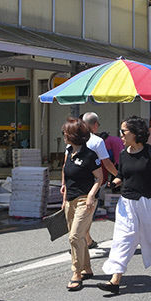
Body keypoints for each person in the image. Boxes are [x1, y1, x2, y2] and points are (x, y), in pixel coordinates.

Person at [98, 115, 151, 295]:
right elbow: (122, 175)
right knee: (122, 239)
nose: (121, 136)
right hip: (127, 203)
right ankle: (115, 280)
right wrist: (114, 182)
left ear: (135, 133)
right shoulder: (124, 154)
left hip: (150, 201)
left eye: (123, 132)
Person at [60, 118, 103, 291]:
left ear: (73, 135)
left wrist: (92, 195)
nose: (63, 135)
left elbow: (99, 178)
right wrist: (64, 198)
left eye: (65, 132)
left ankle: (76, 273)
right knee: (79, 235)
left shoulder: (90, 155)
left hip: (85, 199)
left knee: (74, 236)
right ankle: (87, 268)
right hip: (70, 199)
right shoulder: (69, 151)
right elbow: (65, 171)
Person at [81, 112, 118, 249]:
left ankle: (87, 239)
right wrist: (119, 175)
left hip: (74, 182)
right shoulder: (97, 141)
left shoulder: (74, 138)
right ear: (95, 125)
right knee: (88, 213)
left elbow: (65, 163)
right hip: (92, 183)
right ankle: (83, 239)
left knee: (81, 213)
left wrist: (63, 183)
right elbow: (107, 163)